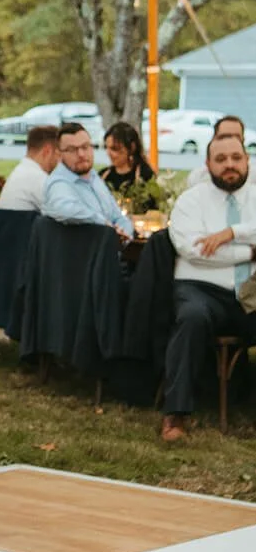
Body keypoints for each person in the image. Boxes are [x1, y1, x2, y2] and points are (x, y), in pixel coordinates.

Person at [162, 131, 256, 443]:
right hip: (201, 289)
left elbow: (214, 246)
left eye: (236, 158)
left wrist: (231, 232)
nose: (230, 165)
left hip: (250, 293)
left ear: (247, 161)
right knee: (191, 318)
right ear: (207, 164)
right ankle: (175, 414)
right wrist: (251, 251)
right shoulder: (191, 201)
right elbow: (195, 252)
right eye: (221, 159)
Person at [43, 123, 134, 237]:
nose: (81, 154)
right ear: (59, 154)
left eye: (85, 147)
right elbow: (65, 210)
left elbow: (118, 217)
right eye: (72, 149)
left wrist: (125, 233)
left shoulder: (94, 177)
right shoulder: (58, 183)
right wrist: (104, 224)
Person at [0, 125, 59, 211]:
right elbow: (67, 212)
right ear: (47, 151)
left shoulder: (22, 171)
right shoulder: (37, 178)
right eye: (59, 154)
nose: (61, 161)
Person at [183, 114, 247, 191]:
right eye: (224, 136)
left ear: (243, 140)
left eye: (236, 137)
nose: (230, 141)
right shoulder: (198, 177)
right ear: (214, 138)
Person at [101, 121, 155, 193]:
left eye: (114, 148)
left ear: (132, 147)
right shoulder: (103, 176)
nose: (108, 153)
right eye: (106, 148)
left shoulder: (145, 175)